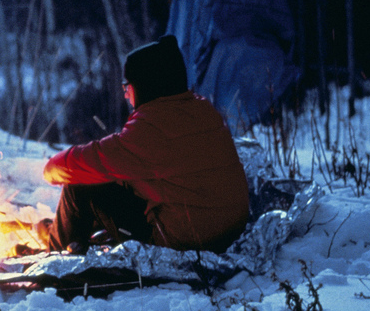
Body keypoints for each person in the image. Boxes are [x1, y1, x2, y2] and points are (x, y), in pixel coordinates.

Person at [42, 35, 249, 254]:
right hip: (227, 230)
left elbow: (87, 161)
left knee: (80, 185)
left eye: (127, 87)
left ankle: (53, 261)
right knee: (122, 183)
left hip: (185, 240)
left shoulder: (153, 127)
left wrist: (49, 170)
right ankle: (68, 233)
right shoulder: (202, 110)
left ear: (143, 86)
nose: (126, 95)